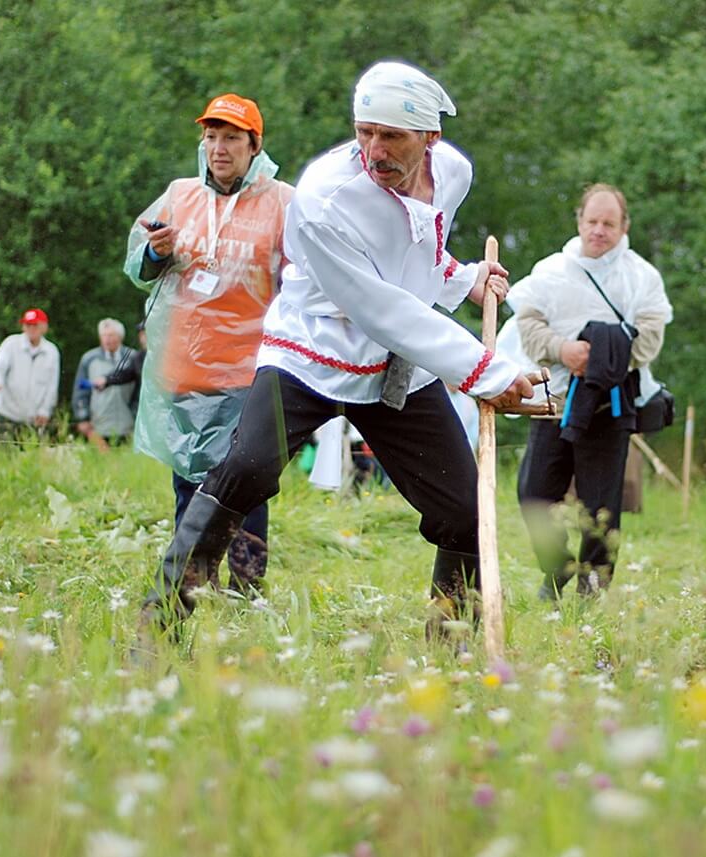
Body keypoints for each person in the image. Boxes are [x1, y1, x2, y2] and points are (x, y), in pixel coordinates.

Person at [138, 61, 532, 642]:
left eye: (391, 136)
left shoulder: (453, 174)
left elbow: (413, 258)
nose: (375, 150)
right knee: (244, 469)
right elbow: (378, 305)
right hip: (310, 350)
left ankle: (452, 649)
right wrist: (485, 371)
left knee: (462, 509)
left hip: (394, 367)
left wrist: (462, 279)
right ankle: (160, 624)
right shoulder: (325, 198)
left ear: (431, 138)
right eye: (364, 131)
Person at [124, 93, 293, 597]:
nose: (219, 148)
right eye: (212, 136)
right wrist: (156, 254)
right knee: (190, 487)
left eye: (232, 138)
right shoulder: (179, 196)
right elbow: (137, 267)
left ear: (254, 145)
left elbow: (303, 278)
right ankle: (189, 585)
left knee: (250, 479)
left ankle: (245, 589)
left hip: (252, 371)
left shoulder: (283, 202)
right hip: (186, 369)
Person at [504, 183, 671, 599]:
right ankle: (556, 569)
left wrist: (596, 359)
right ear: (579, 221)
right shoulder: (551, 271)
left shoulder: (641, 277)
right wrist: (563, 349)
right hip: (555, 402)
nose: (599, 230)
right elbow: (528, 323)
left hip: (609, 404)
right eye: (592, 221)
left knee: (601, 507)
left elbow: (649, 338)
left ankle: (592, 588)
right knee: (534, 493)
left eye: (608, 223)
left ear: (623, 226)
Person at [0, 308, 60, 434]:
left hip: (34, 418)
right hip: (7, 413)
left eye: (35, 325)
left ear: (44, 327)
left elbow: (52, 386)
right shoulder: (11, 344)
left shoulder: (51, 352)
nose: (31, 329)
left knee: (30, 453)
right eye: (28, 325)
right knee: (3, 451)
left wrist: (45, 410)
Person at [72, 318, 137, 450]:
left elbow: (141, 392)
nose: (107, 339)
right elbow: (80, 392)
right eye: (104, 335)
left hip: (129, 425)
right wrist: (83, 418)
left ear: (120, 337)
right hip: (99, 427)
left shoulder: (133, 357)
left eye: (111, 335)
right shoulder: (89, 359)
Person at [95, 321, 147, 414]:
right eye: (141, 334)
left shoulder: (169, 355)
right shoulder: (140, 357)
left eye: (145, 334)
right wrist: (106, 379)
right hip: (143, 409)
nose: (142, 338)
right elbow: (126, 373)